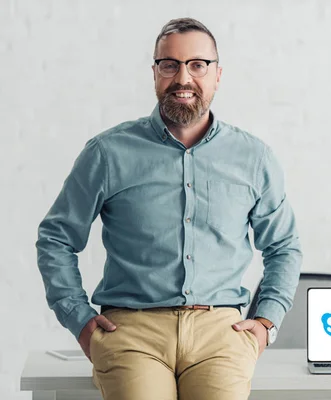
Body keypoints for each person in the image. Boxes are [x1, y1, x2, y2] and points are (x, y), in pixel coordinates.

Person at [35, 17, 302, 400]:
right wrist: (80, 321)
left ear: (217, 74)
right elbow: (56, 237)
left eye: (198, 64)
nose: (183, 78)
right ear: (155, 73)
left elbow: (284, 246)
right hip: (131, 331)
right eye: (170, 64)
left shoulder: (253, 158)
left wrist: (265, 323)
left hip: (221, 332)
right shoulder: (108, 153)